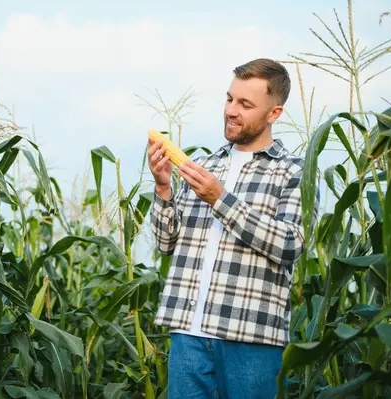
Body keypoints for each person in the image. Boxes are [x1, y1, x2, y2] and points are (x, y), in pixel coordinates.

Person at [147, 58, 320, 398]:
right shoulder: (205, 166)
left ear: (274, 114)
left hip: (251, 337)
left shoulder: (295, 172)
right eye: (229, 99)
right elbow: (167, 244)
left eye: (245, 104)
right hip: (187, 334)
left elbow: (290, 244)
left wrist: (219, 198)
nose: (231, 111)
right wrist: (163, 188)